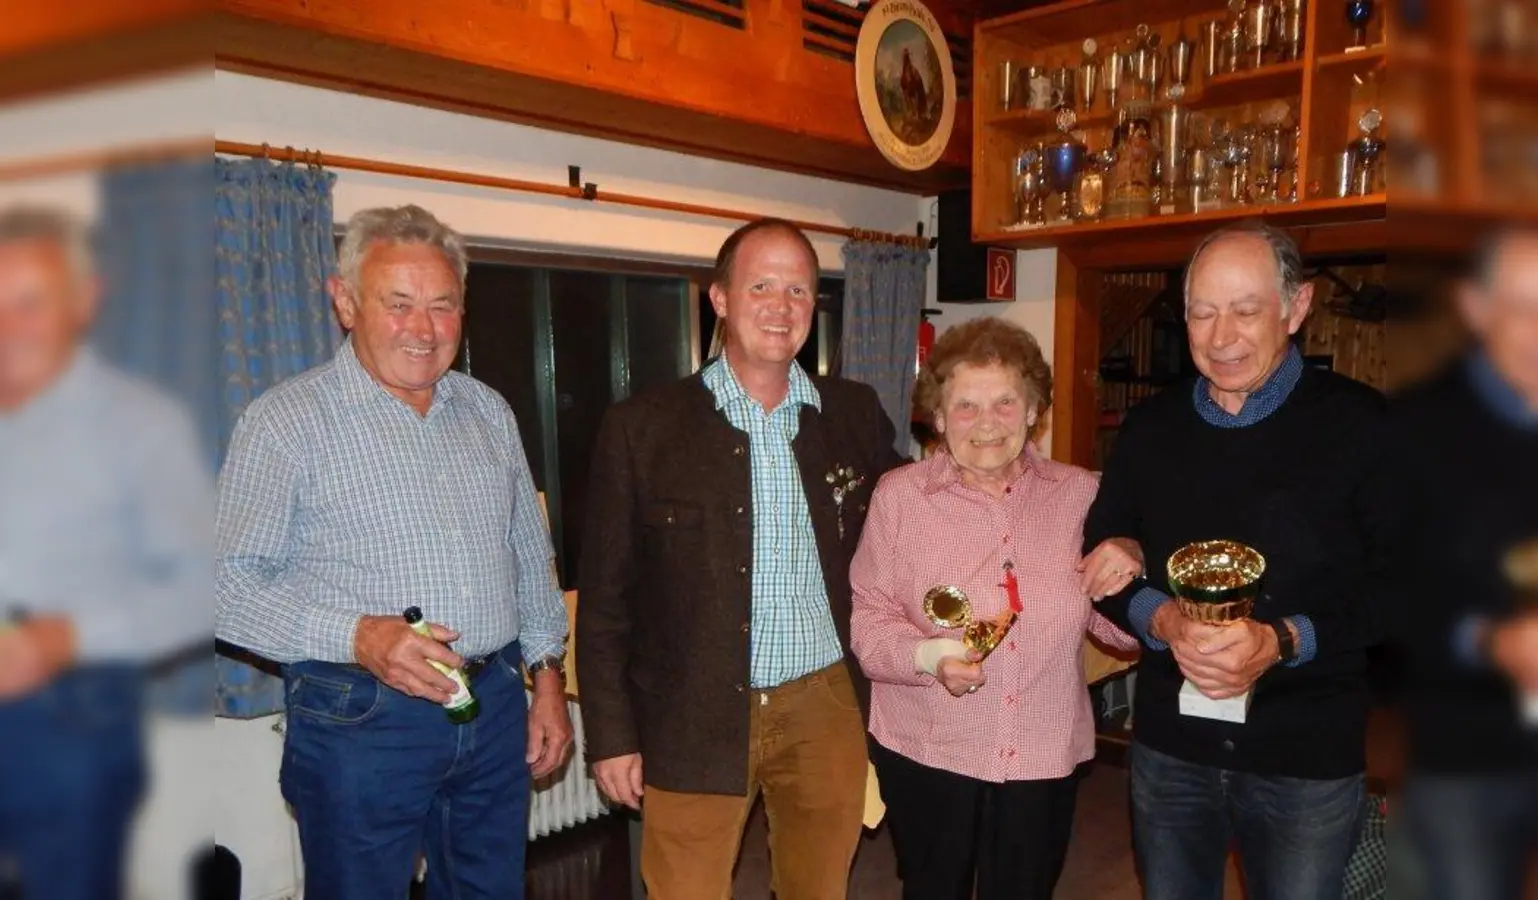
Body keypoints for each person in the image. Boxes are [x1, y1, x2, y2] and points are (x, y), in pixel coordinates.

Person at [215, 204, 572, 899]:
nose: (424, 329)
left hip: (494, 703)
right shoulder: (285, 423)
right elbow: (226, 588)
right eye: (399, 303)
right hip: (359, 717)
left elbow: (529, 554)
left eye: (443, 305)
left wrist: (548, 676)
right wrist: (360, 636)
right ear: (345, 302)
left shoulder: (488, 410)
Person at [577, 218, 903, 900]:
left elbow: (913, 515)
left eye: (799, 291)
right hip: (692, 707)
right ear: (719, 297)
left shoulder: (853, 412)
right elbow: (606, 601)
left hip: (826, 704)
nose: (781, 308)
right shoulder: (642, 428)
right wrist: (610, 735)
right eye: (761, 286)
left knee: (819, 889)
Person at [1084, 220, 1394, 900]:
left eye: (1246, 311)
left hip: (1305, 754)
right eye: (1203, 312)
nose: (1221, 336)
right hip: (1171, 748)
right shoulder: (1151, 428)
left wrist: (1283, 640)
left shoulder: (1364, 427)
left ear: (1297, 307)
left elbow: (1401, 585)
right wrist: (1159, 616)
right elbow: (1102, 556)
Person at [850, 317, 1141, 900]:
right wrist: (930, 655)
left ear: (1034, 410)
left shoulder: (1080, 494)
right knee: (934, 889)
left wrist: (1132, 574)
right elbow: (869, 620)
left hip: (1041, 746)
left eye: (1006, 402)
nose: (987, 424)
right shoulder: (899, 498)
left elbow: (1116, 630)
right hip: (930, 744)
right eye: (966, 406)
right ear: (937, 418)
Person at [0, 205, 213, 899]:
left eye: (30, 303)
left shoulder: (140, 424)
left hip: (70, 723)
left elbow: (200, 590)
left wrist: (68, 638)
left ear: (84, 301)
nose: (9, 328)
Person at [1388, 226, 1538, 900]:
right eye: (1526, 307)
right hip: (1463, 751)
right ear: (1477, 309)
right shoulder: (1415, 430)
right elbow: (1386, 591)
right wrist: (1490, 640)